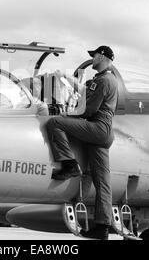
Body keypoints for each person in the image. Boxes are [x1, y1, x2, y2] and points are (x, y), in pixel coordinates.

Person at [46, 45, 118, 240]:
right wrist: (66, 78)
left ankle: (69, 164)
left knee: (55, 123)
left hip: (97, 129)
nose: (92, 58)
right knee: (102, 182)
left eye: (94, 55)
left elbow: (89, 110)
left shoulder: (104, 80)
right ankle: (102, 228)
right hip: (104, 133)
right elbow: (85, 91)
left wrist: (65, 115)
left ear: (102, 56)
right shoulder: (108, 79)